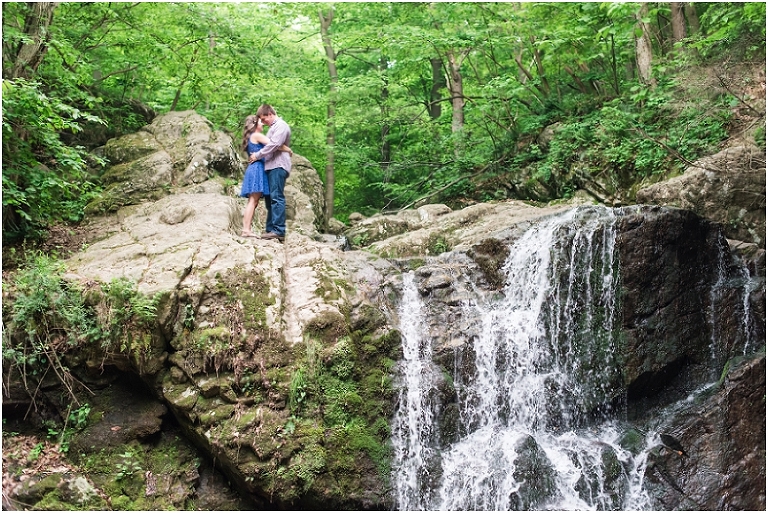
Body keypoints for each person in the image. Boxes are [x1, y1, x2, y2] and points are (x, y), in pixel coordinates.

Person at [239, 114, 292, 237]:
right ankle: (246, 230)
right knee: (253, 201)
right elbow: (275, 144)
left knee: (254, 201)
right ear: (255, 124)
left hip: (254, 168)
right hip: (257, 169)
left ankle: (247, 229)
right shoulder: (257, 135)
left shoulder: (251, 137)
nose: (262, 123)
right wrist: (288, 149)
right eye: (260, 121)